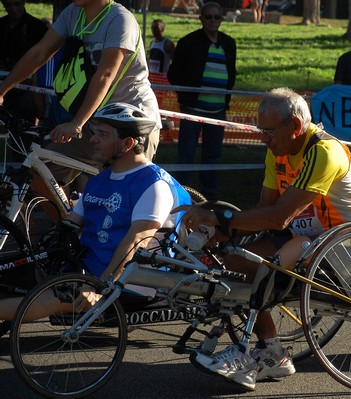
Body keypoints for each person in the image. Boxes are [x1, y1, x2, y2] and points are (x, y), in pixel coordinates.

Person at [177, 87, 351, 390]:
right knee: (233, 260)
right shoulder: (277, 151)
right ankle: (273, 352)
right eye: (260, 130)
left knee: (266, 266)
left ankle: (253, 353)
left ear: (295, 127)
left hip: (346, 245)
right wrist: (219, 233)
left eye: (268, 131)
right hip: (305, 237)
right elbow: (263, 211)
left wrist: (220, 218)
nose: (262, 138)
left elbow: (279, 216)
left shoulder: (323, 152)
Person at [0, 102, 191, 322]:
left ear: (127, 143)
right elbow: (70, 225)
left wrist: (102, 288)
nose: (92, 139)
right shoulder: (100, 180)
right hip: (86, 270)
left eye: (102, 134)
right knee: (12, 279)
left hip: (129, 282)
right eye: (94, 132)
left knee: (50, 298)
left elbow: (136, 242)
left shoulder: (152, 185)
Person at [0, 0, 161, 193]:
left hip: (131, 123)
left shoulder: (120, 19)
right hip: (94, 120)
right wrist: (2, 90)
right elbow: (39, 53)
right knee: (40, 174)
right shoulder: (73, 13)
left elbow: (105, 75)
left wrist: (76, 123)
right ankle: (69, 223)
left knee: (120, 200)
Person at [168, 2, 236, 200]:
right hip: (192, 109)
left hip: (218, 112)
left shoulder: (229, 43)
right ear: (201, 18)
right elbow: (174, 74)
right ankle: (182, 196)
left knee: (212, 156)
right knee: (186, 155)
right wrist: (186, 95)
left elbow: (231, 73)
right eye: (209, 17)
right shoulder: (188, 42)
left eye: (217, 17)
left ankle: (208, 198)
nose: (213, 21)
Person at [0, 0, 48, 122]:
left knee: (25, 121)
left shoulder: (37, 27)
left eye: (17, 4)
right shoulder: (1, 25)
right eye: (9, 5)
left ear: (23, 2)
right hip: (3, 84)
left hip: (28, 86)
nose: (13, 9)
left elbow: (42, 57)